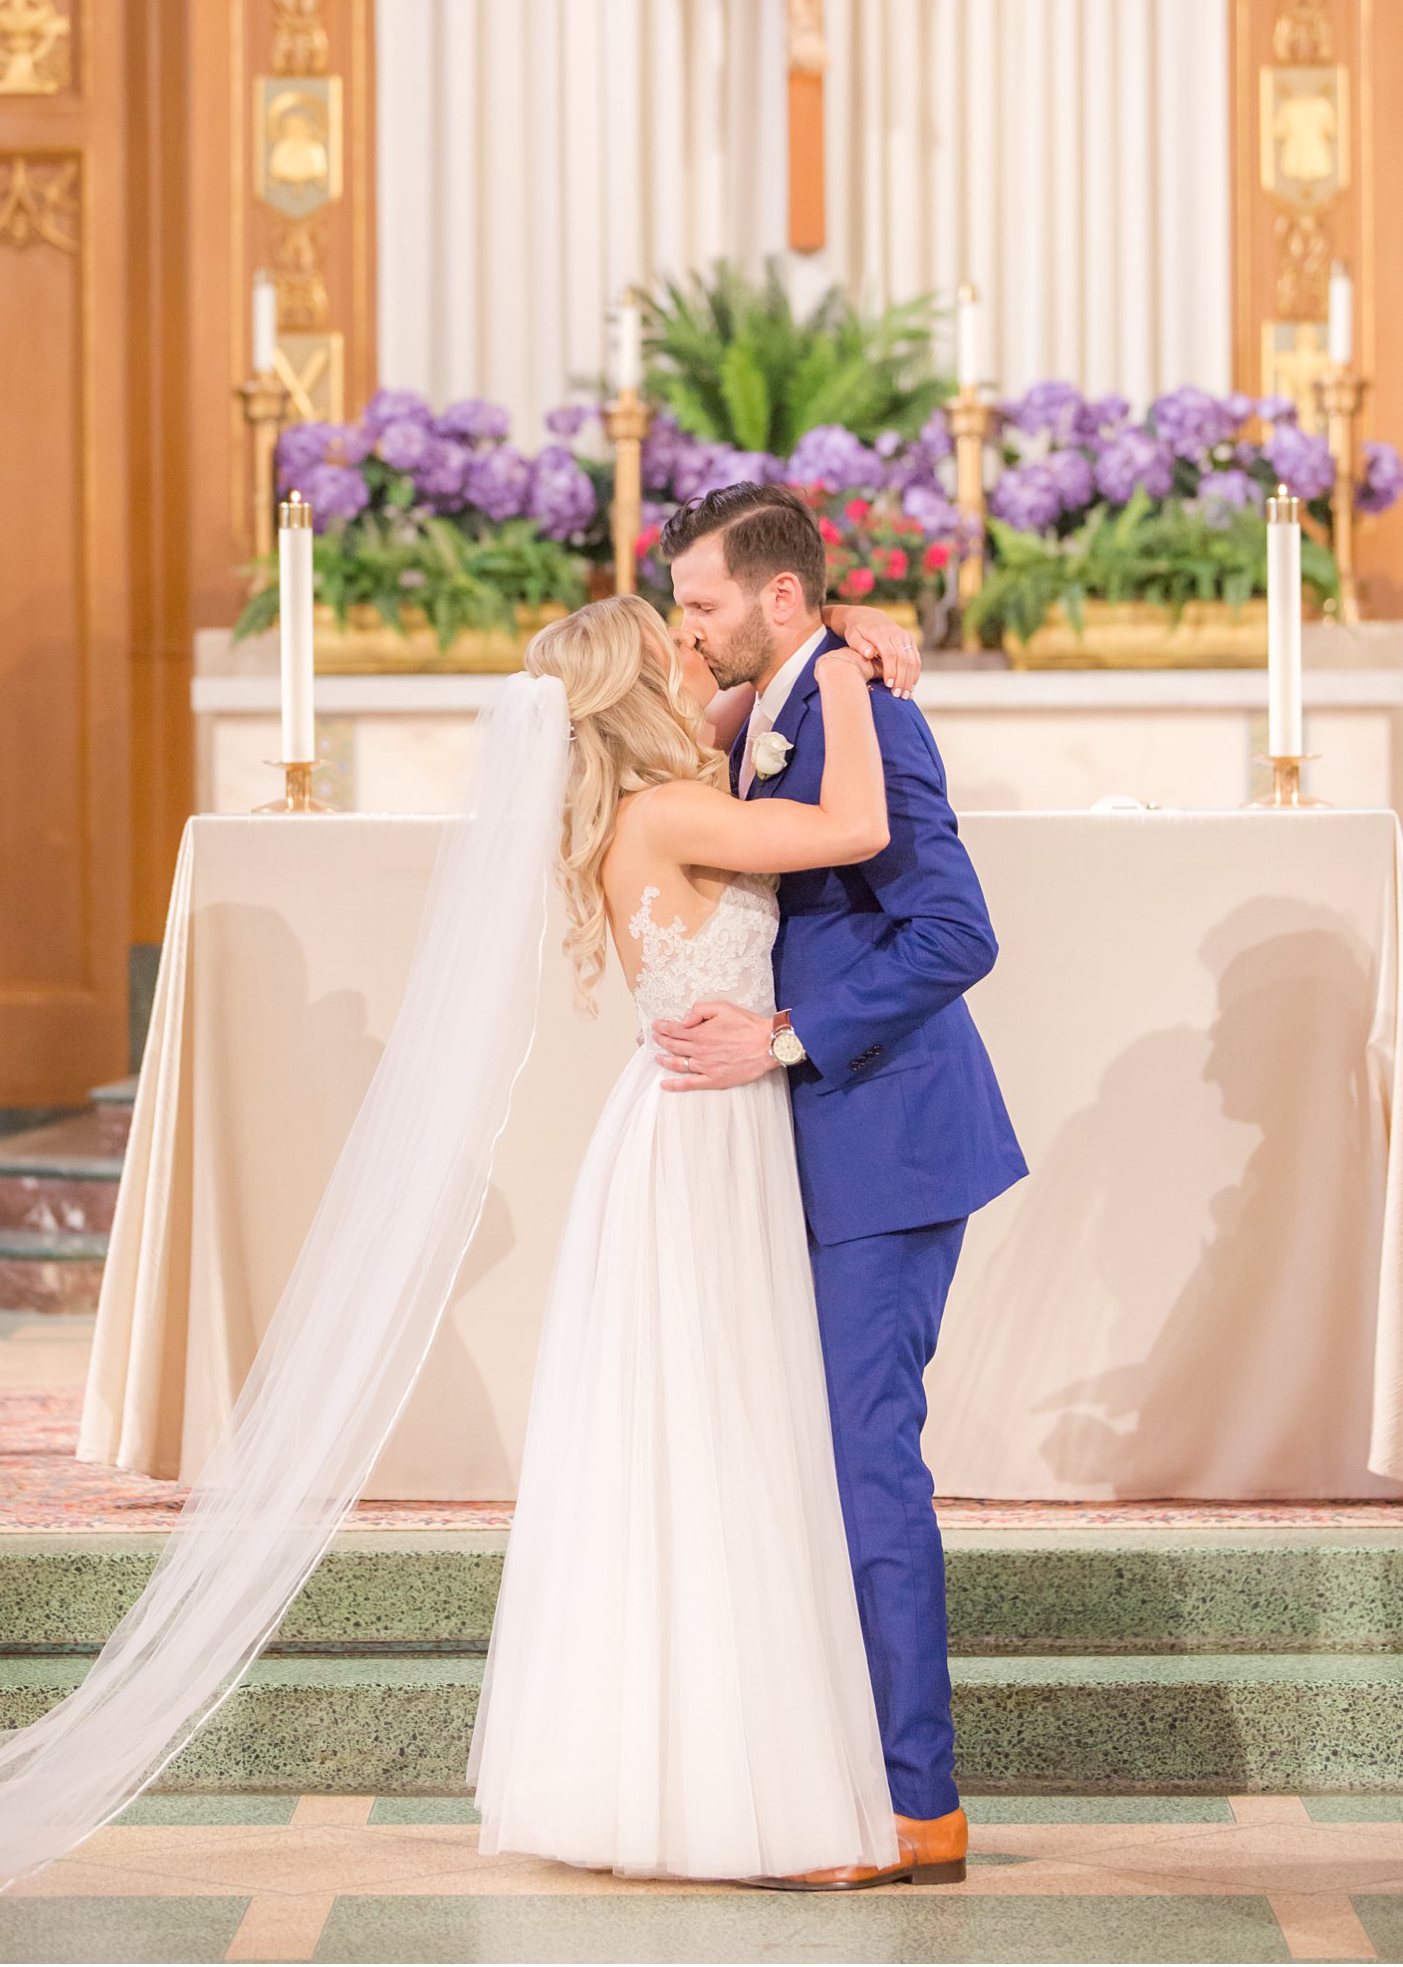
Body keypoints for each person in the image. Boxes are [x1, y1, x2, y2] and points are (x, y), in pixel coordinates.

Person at [470, 586, 935, 1884]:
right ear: (636, 690)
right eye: (675, 647)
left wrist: (853, 618)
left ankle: (699, 1771)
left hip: (696, 1122)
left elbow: (745, 694)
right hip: (705, 1127)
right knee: (727, 1433)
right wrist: (845, 664)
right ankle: (748, 1796)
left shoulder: (655, 793)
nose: (699, 655)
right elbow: (852, 822)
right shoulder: (671, 810)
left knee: (715, 1428)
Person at [648, 482, 1030, 1889]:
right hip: (807, 1150)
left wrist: (787, 1037)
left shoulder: (877, 712)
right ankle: (844, 1769)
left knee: (870, 1465)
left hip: (886, 1143)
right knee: (817, 1462)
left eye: (701, 602)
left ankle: (918, 1803)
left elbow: (956, 930)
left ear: (781, 597)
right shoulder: (773, 704)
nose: (686, 628)